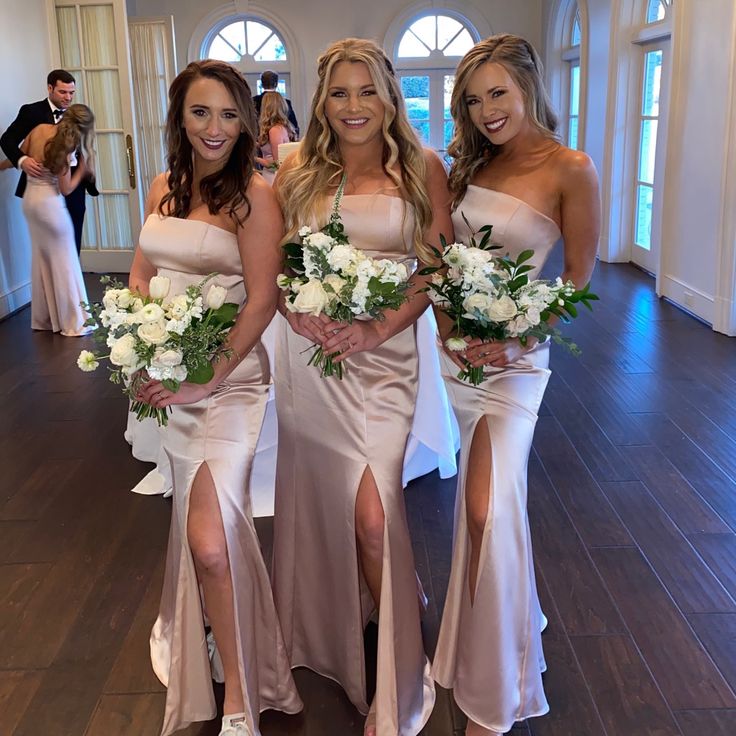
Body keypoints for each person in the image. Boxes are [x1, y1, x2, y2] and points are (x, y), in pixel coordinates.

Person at [271, 38, 452, 736]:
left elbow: (432, 268)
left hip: (385, 361)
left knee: (374, 513)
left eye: (366, 91)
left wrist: (378, 330)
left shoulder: (422, 168)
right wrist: (299, 310)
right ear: (322, 102)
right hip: (313, 361)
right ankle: (380, 599)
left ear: (390, 97)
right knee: (331, 503)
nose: (353, 107)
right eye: (340, 94)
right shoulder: (295, 173)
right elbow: (277, 266)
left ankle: (399, 671)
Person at [431, 34, 600, 736]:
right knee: (487, 503)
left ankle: (496, 690)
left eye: (497, 92)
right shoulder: (465, 164)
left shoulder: (571, 168)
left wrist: (518, 336)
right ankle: (510, 615)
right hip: (458, 357)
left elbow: (578, 278)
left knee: (485, 509)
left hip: (517, 364)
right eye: (473, 99)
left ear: (528, 86)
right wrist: (448, 325)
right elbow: (442, 255)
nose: (486, 109)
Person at [130, 59, 302, 736]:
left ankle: (240, 700)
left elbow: (263, 300)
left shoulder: (256, 197)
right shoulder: (162, 187)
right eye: (201, 112)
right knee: (204, 535)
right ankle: (217, 633)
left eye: (230, 115)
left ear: (248, 123)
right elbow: (144, 271)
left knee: (208, 541)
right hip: (172, 377)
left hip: (230, 385)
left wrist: (207, 375)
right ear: (179, 116)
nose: (215, 128)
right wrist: (145, 335)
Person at [15, 103, 94, 336]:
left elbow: (21, 154)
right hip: (50, 205)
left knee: (42, 259)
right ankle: (73, 321)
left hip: (30, 201)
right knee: (65, 260)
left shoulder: (38, 129)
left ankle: (46, 319)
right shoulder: (66, 145)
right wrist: (84, 170)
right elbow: (66, 188)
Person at [1, 69, 98, 254]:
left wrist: (85, 169)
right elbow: (8, 141)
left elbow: (79, 150)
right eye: (63, 92)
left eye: (71, 93)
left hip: (73, 188)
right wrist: (22, 161)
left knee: (73, 241)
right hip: (44, 190)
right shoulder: (31, 112)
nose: (68, 98)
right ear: (50, 88)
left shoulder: (76, 115)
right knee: (47, 247)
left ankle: (70, 277)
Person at [254, 91, 296, 185]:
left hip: (273, 178)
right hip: (271, 176)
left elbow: (276, 165)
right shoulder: (278, 127)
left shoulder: (275, 130)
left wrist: (255, 159)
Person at [252, 70, 299, 137]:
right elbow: (294, 126)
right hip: (281, 141)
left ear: (262, 84)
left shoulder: (253, 101)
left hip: (259, 140)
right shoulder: (285, 102)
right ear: (276, 84)